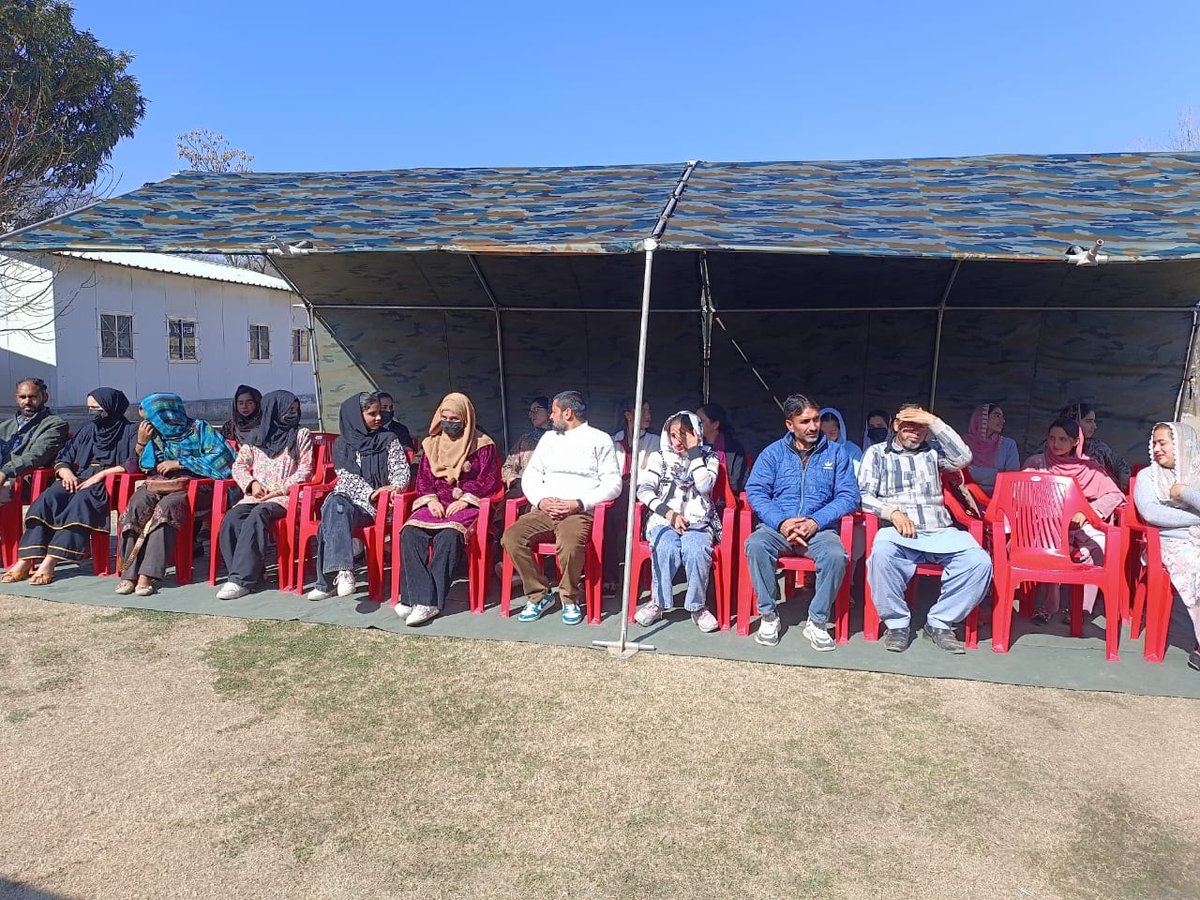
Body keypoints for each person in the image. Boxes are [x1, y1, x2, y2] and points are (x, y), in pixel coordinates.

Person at [858, 402, 992, 654]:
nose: (915, 432)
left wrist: (934, 421)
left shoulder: (934, 452)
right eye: (909, 425)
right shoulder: (876, 453)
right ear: (895, 425)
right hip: (898, 531)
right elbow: (864, 496)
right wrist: (893, 513)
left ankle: (940, 622)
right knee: (881, 556)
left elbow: (964, 457)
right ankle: (896, 624)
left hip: (939, 530)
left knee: (979, 562)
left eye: (921, 427)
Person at [743, 394, 860, 649]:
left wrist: (815, 522)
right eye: (805, 421)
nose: (813, 427)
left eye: (816, 420)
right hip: (777, 528)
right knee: (756, 545)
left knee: (836, 556)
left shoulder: (836, 453)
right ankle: (769, 615)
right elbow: (756, 491)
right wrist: (782, 521)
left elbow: (849, 495)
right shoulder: (773, 453)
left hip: (819, 530)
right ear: (790, 425)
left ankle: (817, 621)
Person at [501, 391, 622, 625]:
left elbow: (613, 484)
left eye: (554, 412)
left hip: (578, 512)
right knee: (512, 537)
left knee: (569, 543)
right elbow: (531, 476)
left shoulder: (600, 439)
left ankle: (569, 598)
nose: (551, 417)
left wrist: (578, 503)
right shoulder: (548, 440)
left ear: (568, 413)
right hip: (545, 509)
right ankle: (540, 594)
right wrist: (541, 500)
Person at [1, 389, 135, 585]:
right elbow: (64, 456)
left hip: (106, 484)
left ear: (111, 407)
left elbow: (133, 463)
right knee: (47, 499)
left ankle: (51, 560)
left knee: (79, 504)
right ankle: (25, 560)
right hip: (77, 478)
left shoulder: (130, 431)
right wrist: (67, 473)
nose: (92, 413)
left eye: (96, 408)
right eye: (89, 408)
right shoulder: (88, 430)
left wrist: (101, 475)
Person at [116, 394, 236, 597]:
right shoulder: (153, 433)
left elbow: (223, 459)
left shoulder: (199, 429)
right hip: (160, 484)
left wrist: (181, 463)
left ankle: (147, 575)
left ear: (165, 413)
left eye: (150, 413)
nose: (145, 418)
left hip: (197, 487)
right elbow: (139, 467)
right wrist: (141, 443)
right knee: (137, 503)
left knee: (167, 508)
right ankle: (129, 573)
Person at [397, 393, 500, 626]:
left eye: (455, 418)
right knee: (410, 532)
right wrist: (431, 500)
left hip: (467, 503)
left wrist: (465, 499)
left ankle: (427, 602)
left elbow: (490, 481)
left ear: (466, 419)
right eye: (444, 417)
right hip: (436, 502)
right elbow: (423, 479)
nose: (449, 422)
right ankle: (417, 598)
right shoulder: (431, 444)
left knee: (449, 535)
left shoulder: (483, 445)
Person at [307, 393, 410, 600]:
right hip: (351, 501)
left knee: (330, 514)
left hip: (376, 509)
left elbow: (402, 472)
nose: (379, 417)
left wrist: (394, 488)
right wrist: (371, 492)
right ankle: (344, 571)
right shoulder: (342, 445)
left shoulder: (389, 440)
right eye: (372, 414)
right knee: (336, 504)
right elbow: (346, 477)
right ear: (356, 416)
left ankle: (328, 581)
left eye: (379, 412)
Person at [1022, 418, 1125, 624]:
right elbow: (1022, 493)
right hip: (1045, 524)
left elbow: (1114, 494)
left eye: (1062, 439)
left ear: (1075, 442)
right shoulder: (1037, 463)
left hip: (1079, 524)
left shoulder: (1088, 467)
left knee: (1101, 545)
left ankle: (1082, 609)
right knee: (1053, 544)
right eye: (1051, 438)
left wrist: (1088, 511)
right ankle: (1048, 607)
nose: (1055, 444)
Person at [215, 391, 313, 600]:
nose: (293, 414)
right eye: (288, 410)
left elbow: (306, 470)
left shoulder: (301, 435)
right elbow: (239, 465)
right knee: (232, 519)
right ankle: (251, 576)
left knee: (259, 514)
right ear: (273, 411)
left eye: (295, 410)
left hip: (287, 497)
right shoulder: (256, 437)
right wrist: (252, 483)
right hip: (257, 495)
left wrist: (281, 489)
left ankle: (240, 580)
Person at [632, 411, 722, 632]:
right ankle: (658, 602)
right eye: (673, 435)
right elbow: (643, 490)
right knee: (666, 547)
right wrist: (668, 513)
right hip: (664, 519)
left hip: (698, 521)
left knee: (696, 550)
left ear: (696, 434)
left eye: (684, 434)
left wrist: (694, 453)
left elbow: (704, 486)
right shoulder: (659, 457)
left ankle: (697, 606)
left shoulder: (709, 458)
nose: (678, 440)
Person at [1134, 422, 1200, 672]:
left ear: (1183, 445)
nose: (1157, 449)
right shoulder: (1147, 477)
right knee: (1195, 568)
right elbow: (1151, 513)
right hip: (1168, 542)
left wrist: (1183, 491)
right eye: (1154, 444)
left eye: (1163, 443)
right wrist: (1196, 519)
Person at [0, 378, 69, 507]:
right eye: (22, 397)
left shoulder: (55, 425)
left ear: (45, 397)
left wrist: (5, 471)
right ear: (16, 398)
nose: (27, 401)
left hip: (24, 480)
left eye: (33, 397)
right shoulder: (6, 426)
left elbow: (36, 455)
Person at [1060, 401, 1131, 491]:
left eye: (1094, 421)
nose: (1094, 426)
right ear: (1074, 421)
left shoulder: (1098, 448)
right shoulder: (1051, 446)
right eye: (1089, 421)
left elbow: (1120, 464)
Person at [963, 402, 1020, 494]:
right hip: (967, 496)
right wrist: (997, 472)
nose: (1003, 421)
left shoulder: (1008, 444)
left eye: (1002, 417)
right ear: (982, 418)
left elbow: (1012, 476)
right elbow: (962, 474)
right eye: (997, 416)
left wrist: (977, 473)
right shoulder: (965, 442)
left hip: (999, 496)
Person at [695, 402, 750, 494]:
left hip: (724, 497)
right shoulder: (693, 445)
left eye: (701, 421)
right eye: (694, 420)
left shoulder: (732, 447)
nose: (695, 424)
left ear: (715, 424)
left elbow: (737, 481)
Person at [501, 395, 551, 494]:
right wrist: (513, 479)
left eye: (536, 410)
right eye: (530, 411)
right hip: (525, 491)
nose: (531, 415)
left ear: (549, 411)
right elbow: (508, 466)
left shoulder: (562, 438)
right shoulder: (525, 440)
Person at [612, 398, 658, 479]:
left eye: (649, 412)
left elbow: (653, 472)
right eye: (643, 411)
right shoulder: (612, 442)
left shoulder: (655, 441)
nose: (648, 416)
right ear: (628, 415)